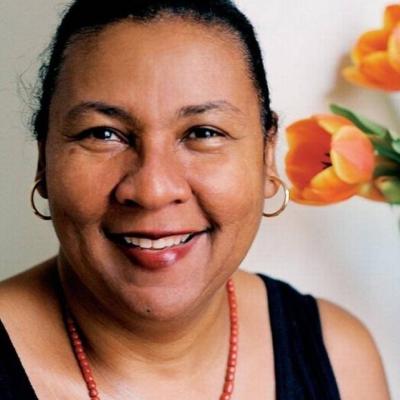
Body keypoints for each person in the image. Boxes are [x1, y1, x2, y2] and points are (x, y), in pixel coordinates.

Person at [0, 0, 390, 399]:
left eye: (203, 133)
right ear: (43, 157)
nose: (153, 190)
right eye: (103, 134)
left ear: (267, 153)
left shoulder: (341, 360)